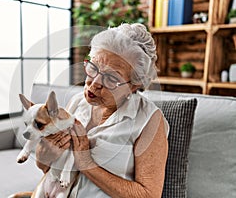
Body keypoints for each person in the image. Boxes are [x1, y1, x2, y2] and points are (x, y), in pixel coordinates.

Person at [36, 23, 169, 198]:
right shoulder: (77, 103)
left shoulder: (149, 120)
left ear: (134, 86)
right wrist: (42, 157)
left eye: (111, 77)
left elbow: (149, 195)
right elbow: (54, 170)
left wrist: (85, 162)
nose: (95, 82)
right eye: (93, 67)